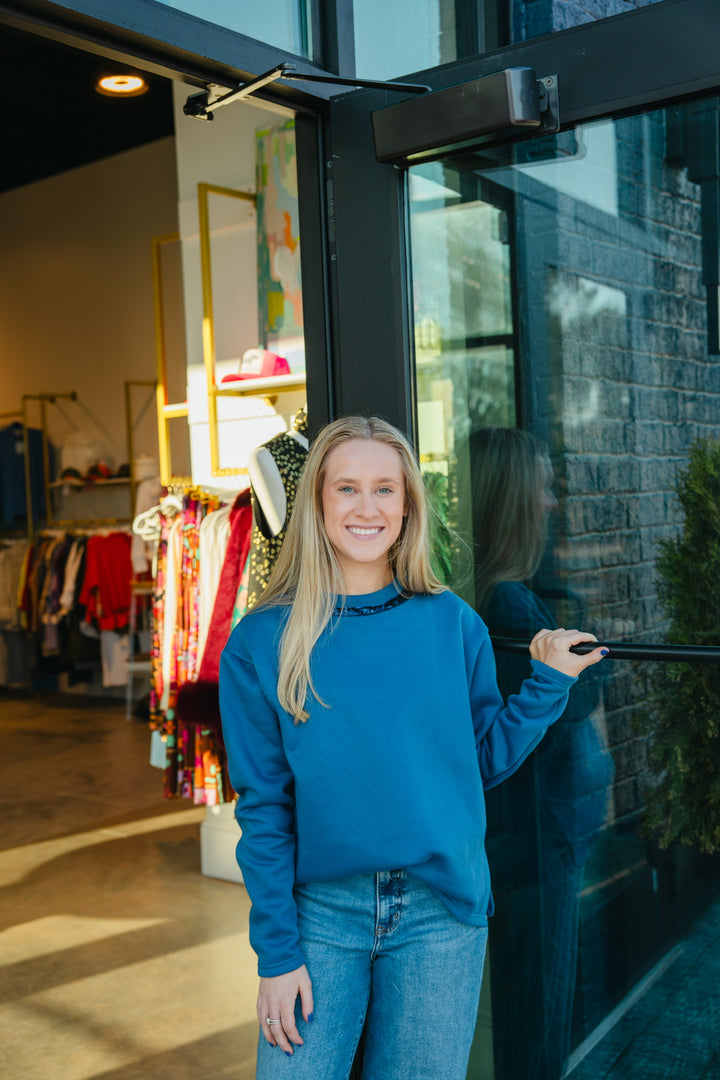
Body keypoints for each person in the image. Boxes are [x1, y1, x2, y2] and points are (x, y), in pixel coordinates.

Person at [218, 415, 608, 1080]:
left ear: (407, 505)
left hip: (439, 914)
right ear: (317, 502)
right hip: (321, 915)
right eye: (346, 489)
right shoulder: (263, 642)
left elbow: (478, 762)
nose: (366, 508)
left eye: (385, 490)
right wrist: (277, 954)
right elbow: (263, 810)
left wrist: (547, 686)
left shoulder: (453, 624)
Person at [468, 426, 614, 1080]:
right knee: (541, 1011)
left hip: (545, 839)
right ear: (511, 501)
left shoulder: (515, 597)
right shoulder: (507, 603)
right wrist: (593, 666)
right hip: (538, 843)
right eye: (544, 487)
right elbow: (555, 712)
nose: (553, 502)